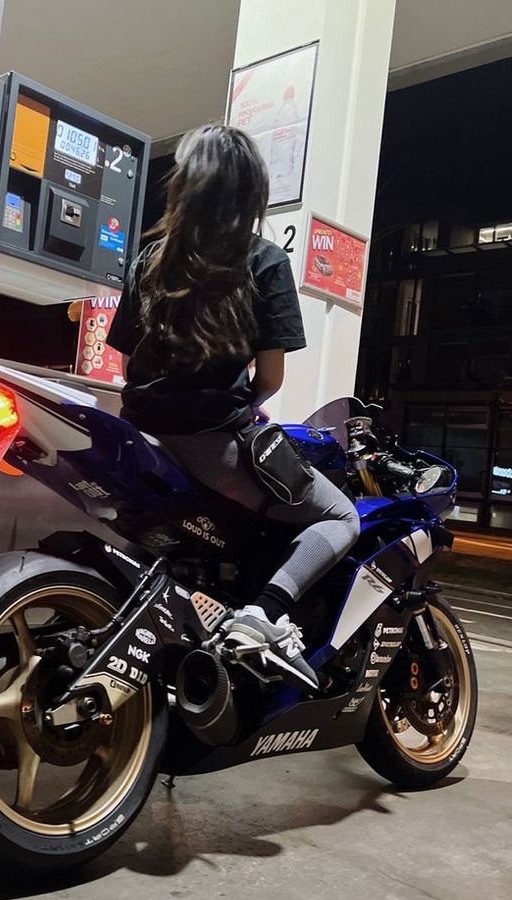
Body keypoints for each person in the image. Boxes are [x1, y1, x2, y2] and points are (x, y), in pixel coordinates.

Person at [107, 124, 360, 686]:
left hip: (141, 438)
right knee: (342, 516)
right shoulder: (264, 260)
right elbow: (270, 376)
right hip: (212, 445)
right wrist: (244, 402)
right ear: (251, 192)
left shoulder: (150, 257)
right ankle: (262, 614)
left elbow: (128, 365)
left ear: (187, 187)